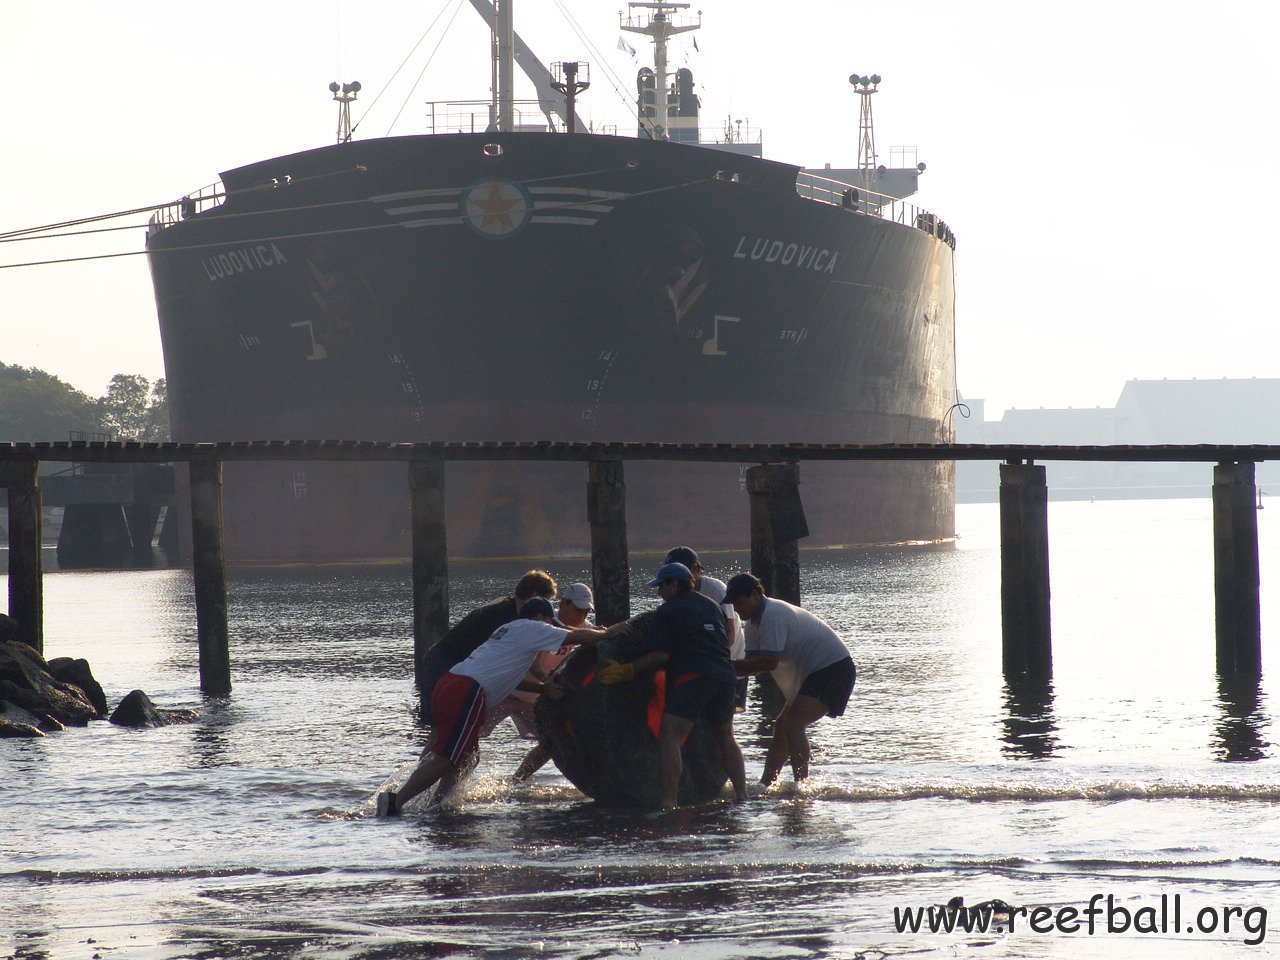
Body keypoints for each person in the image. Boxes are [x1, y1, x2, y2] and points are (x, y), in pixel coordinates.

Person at [378, 597, 604, 816]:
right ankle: (396, 801)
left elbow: (509, 676)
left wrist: (543, 688)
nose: (549, 629)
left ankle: (438, 805)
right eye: (549, 623)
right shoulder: (532, 626)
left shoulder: (506, 631)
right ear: (541, 617)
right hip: (467, 691)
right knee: (448, 757)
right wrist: (610, 632)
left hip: (449, 683)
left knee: (468, 757)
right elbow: (576, 636)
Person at [597, 562, 748, 810]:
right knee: (725, 737)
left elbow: (660, 656)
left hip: (693, 677)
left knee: (669, 736)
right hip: (725, 677)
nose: (659, 592)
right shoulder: (713, 606)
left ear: (674, 584)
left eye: (661, 586)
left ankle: (669, 803)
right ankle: (742, 795)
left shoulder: (668, 612)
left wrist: (628, 669)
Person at [722, 573, 856, 786]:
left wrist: (726, 666)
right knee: (782, 725)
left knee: (793, 725)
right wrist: (725, 669)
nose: (737, 610)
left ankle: (801, 786)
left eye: (740, 603)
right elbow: (752, 664)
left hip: (834, 670)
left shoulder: (773, 615)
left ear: (756, 595)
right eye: (733, 605)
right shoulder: (753, 625)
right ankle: (766, 784)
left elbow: (768, 663)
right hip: (815, 673)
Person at [418, 570, 557, 702]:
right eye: (545, 601)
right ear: (532, 596)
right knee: (437, 719)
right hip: (442, 663)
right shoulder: (503, 618)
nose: (545, 609)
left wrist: (544, 678)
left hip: (453, 665)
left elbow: (527, 654)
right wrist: (543, 686)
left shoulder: (515, 612)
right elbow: (504, 675)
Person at [508, 582, 596, 782]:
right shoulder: (545, 623)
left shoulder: (583, 628)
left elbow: (596, 638)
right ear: (564, 603)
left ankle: (515, 782)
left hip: (535, 697)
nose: (582, 616)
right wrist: (546, 681)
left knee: (550, 743)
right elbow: (532, 662)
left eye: (586, 612)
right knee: (469, 734)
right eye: (578, 610)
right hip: (510, 689)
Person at [665, 546, 747, 710]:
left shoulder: (716, 590)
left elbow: (729, 630)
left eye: (682, 569)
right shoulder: (675, 592)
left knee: (726, 714)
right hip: (701, 661)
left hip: (731, 659)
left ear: (695, 568)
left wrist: (716, 659)